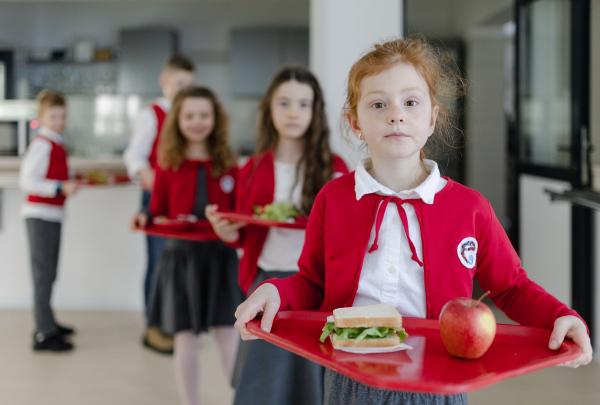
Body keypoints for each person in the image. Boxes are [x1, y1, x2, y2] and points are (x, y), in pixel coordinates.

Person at [232, 38, 594, 405]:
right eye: (378, 104)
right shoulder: (332, 199)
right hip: (349, 379)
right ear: (355, 122)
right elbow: (311, 282)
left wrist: (560, 316)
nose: (396, 115)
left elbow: (512, 288)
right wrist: (275, 291)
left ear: (432, 118)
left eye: (410, 102)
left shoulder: (471, 208)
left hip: (440, 380)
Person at [206, 66, 349, 405]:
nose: (293, 113)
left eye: (303, 104)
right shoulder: (252, 169)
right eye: (284, 103)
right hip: (265, 281)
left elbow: (345, 241)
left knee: (311, 385)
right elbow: (244, 236)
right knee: (263, 386)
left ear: (315, 112)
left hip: (316, 289)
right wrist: (226, 232)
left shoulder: (336, 169)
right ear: (270, 109)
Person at [130, 86, 244, 405]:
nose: (197, 122)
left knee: (227, 333)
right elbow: (156, 209)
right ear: (177, 120)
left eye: (204, 115)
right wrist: (142, 216)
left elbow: (239, 211)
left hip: (221, 257)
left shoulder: (228, 163)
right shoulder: (168, 163)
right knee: (185, 337)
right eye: (190, 115)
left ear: (215, 119)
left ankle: (243, 397)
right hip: (179, 259)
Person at [123, 55, 195, 353]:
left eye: (189, 85)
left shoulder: (188, 114)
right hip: (157, 200)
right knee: (157, 264)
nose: (184, 90)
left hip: (181, 201)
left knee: (177, 263)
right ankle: (152, 327)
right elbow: (134, 155)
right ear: (163, 81)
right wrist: (146, 173)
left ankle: (171, 324)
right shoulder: (151, 114)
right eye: (179, 84)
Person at [20, 90, 80, 352]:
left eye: (63, 116)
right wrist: (58, 187)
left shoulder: (56, 142)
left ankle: (48, 322)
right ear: (42, 117)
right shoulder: (43, 143)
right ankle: (44, 333)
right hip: (40, 215)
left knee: (49, 273)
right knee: (43, 274)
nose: (59, 120)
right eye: (53, 116)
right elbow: (27, 181)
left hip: (52, 215)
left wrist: (68, 181)